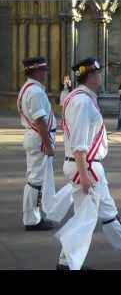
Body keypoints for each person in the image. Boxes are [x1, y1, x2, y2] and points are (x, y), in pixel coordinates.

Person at [57, 58, 121, 270]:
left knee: (107, 212)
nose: (101, 77)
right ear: (91, 76)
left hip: (87, 165)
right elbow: (80, 144)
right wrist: (84, 174)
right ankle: (67, 263)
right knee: (85, 219)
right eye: (98, 74)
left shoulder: (79, 98)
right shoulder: (81, 102)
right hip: (86, 166)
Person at [17, 57, 56, 231]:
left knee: (34, 179)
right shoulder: (35, 92)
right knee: (36, 181)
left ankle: (32, 216)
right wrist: (48, 144)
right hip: (39, 138)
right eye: (43, 70)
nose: (45, 74)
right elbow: (40, 120)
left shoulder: (28, 88)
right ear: (36, 71)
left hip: (35, 137)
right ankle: (32, 219)